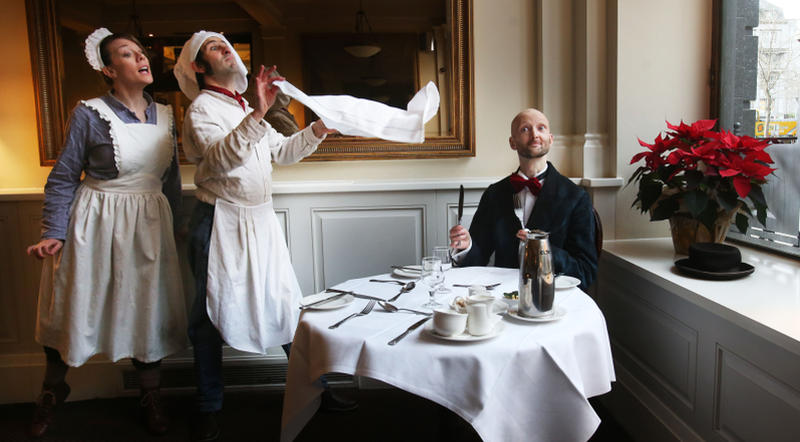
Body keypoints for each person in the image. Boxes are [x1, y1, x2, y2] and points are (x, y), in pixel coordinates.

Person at [173, 31, 353, 442]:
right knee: (207, 318)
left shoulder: (242, 106)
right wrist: (257, 111)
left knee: (288, 305)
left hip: (261, 222)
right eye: (217, 49)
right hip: (218, 221)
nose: (229, 52)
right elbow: (219, 160)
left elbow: (283, 151)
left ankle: (317, 393)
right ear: (199, 68)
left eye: (229, 46)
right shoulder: (200, 109)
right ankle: (208, 406)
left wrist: (320, 129)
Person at [25, 28, 188, 437]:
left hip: (149, 223)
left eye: (140, 52)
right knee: (79, 305)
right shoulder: (88, 113)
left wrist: (178, 225)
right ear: (108, 69)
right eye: (127, 54)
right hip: (96, 223)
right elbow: (63, 177)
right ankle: (51, 391)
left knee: (146, 309)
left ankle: (150, 395)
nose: (141, 57)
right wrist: (54, 232)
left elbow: (169, 180)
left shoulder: (167, 113)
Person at [449, 108, 598, 289]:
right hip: (502, 297)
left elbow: (586, 271)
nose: (535, 134)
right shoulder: (494, 194)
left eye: (541, 128)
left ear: (550, 139)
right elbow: (478, 257)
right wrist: (466, 247)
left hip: (555, 299)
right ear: (513, 143)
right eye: (525, 129)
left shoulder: (576, 197)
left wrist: (543, 249)